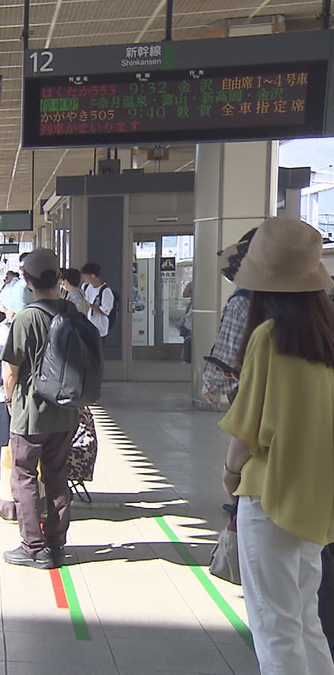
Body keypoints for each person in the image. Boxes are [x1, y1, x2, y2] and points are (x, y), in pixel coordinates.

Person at [218, 216, 334, 675]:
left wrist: (229, 475)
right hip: (317, 498)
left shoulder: (268, 338)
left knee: (274, 626)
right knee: (307, 620)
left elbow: (247, 429)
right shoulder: (328, 334)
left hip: (271, 494)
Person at [1, 249, 77, 569]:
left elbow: (10, 371)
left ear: (28, 282)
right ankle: (56, 545)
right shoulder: (74, 314)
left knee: (25, 477)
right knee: (58, 477)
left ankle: (32, 546)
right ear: (59, 278)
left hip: (31, 413)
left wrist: (9, 402)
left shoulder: (27, 318)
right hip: (66, 412)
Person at [0, 282, 28, 521]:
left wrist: (7, 393)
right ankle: (34, 505)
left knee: (4, 452)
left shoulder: (6, 329)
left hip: (6, 399)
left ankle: (8, 507)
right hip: (33, 400)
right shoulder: (44, 322)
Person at [202, 229, 257, 406]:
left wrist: (212, 383)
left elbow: (231, 347)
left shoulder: (243, 299)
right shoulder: (315, 301)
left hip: (257, 391)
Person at [80, 262, 114, 338]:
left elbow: (105, 311)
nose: (84, 279)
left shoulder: (105, 291)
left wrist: (91, 306)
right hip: (87, 326)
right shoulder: (85, 286)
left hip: (99, 328)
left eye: (85, 276)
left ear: (93, 275)